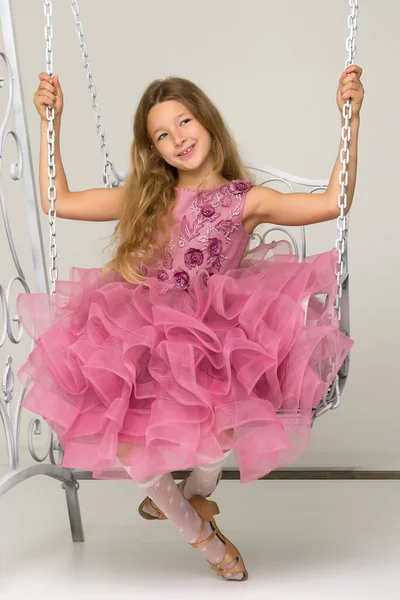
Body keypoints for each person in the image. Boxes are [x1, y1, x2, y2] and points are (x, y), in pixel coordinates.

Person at [16, 66, 364, 581]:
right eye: (162, 134)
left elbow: (333, 202)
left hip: (212, 338)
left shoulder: (245, 199)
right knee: (136, 449)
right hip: (139, 334)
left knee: (215, 436)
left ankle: (194, 497)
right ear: (153, 149)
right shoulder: (145, 196)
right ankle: (206, 540)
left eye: (184, 122)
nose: (178, 138)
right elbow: (57, 200)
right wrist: (52, 122)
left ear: (206, 121)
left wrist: (350, 118)